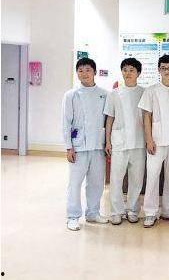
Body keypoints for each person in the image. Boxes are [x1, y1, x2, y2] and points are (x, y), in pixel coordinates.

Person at [62, 57, 109, 231]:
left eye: (88, 70)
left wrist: (108, 143)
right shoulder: (71, 95)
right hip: (79, 146)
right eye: (80, 70)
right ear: (77, 73)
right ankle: (73, 216)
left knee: (96, 183)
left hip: (98, 146)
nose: (84, 73)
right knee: (75, 183)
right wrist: (69, 147)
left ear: (94, 72)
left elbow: (108, 121)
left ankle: (93, 213)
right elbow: (66, 122)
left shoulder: (104, 94)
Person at [138, 54, 169, 228]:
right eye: (163, 68)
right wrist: (149, 139)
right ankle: (150, 213)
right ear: (158, 70)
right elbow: (146, 116)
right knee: (152, 177)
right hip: (156, 141)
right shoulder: (151, 90)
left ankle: (168, 211)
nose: (167, 70)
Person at [104, 58, 146, 225]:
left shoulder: (144, 92)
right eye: (125, 70)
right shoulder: (114, 93)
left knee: (137, 179)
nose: (128, 73)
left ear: (138, 73)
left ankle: (133, 210)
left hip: (139, 142)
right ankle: (116, 211)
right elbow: (109, 119)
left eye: (132, 70)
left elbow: (148, 118)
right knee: (116, 179)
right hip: (119, 142)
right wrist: (108, 141)